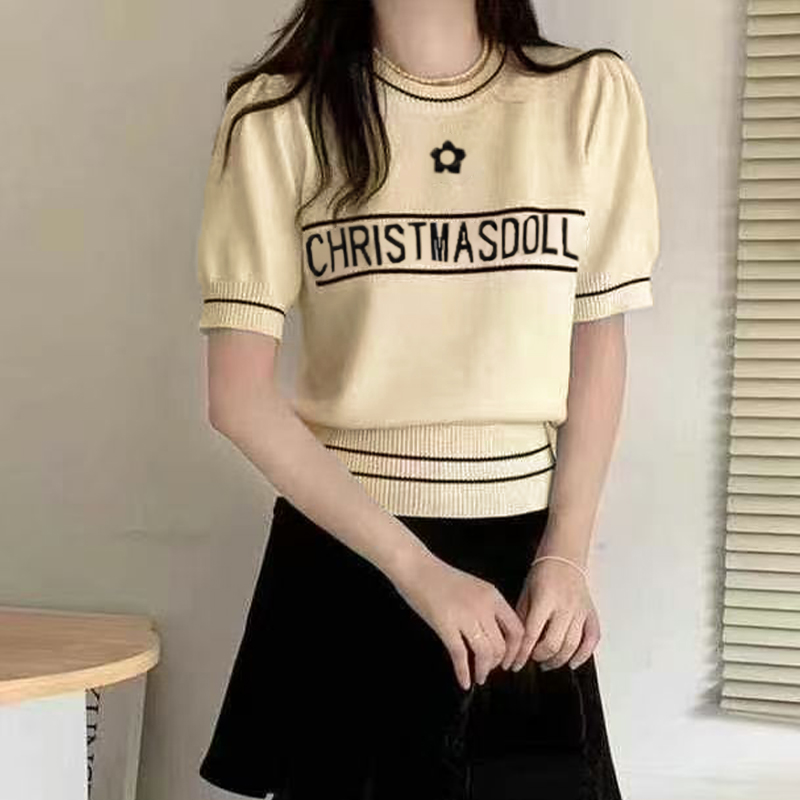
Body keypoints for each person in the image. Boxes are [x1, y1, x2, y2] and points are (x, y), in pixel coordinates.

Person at [194, 0, 660, 798]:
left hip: (523, 563)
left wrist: (566, 553)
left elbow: (599, 344)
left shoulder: (585, 95)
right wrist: (416, 571)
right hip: (348, 555)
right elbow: (237, 397)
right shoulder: (276, 117)